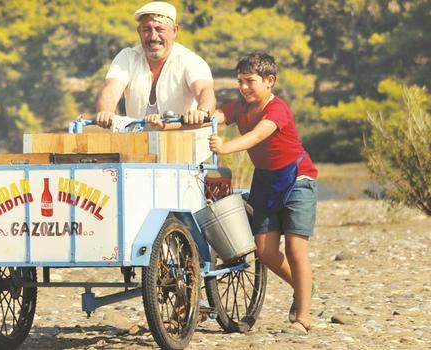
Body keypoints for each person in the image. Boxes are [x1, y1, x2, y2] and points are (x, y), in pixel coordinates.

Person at [209, 52, 318, 335]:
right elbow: (215, 117)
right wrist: (190, 120)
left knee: (296, 250)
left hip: (298, 180)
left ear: (270, 81)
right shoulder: (239, 107)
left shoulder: (277, 109)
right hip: (266, 182)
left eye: (250, 81)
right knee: (266, 252)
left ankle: (302, 317)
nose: (244, 87)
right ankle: (303, 285)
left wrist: (224, 147)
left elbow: (257, 136)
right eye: (240, 82)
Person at [95, 1, 216, 137]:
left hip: (184, 148)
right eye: (147, 29)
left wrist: (202, 111)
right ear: (139, 32)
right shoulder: (127, 57)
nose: (153, 37)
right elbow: (110, 89)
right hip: (138, 148)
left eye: (160, 29)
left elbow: (204, 90)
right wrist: (105, 111)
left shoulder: (190, 60)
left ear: (175, 31)